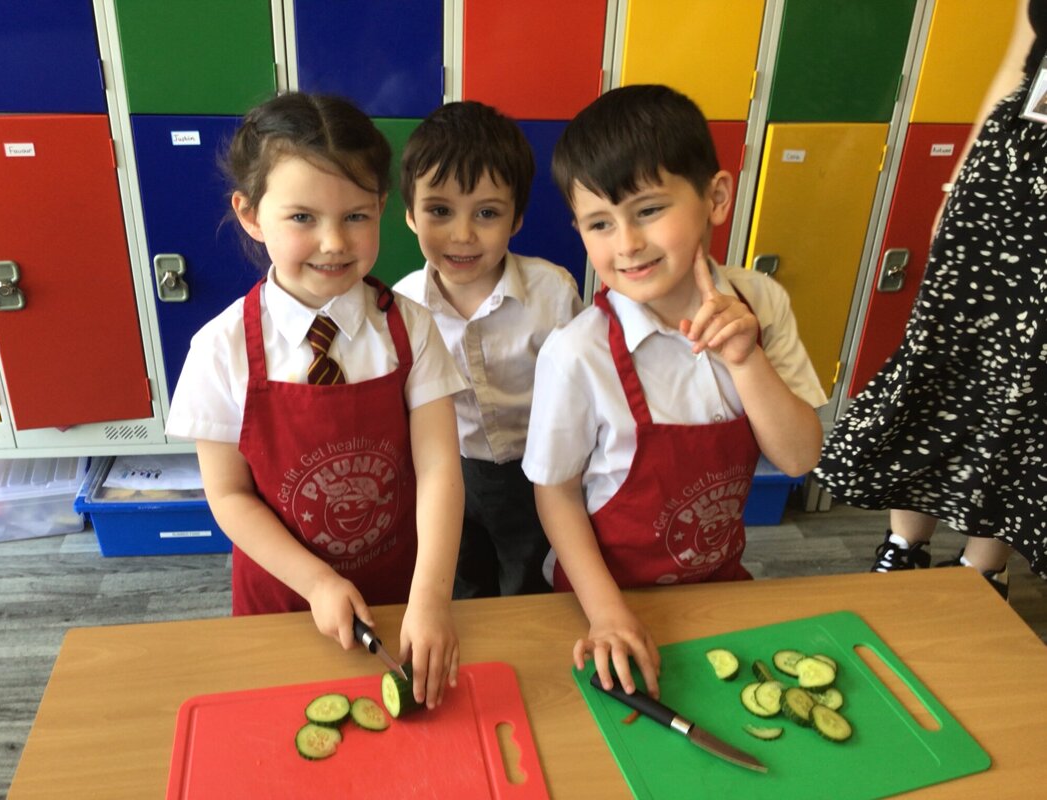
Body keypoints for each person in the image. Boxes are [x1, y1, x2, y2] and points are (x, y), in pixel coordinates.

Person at [522, 85, 827, 697]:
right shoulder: (577, 353)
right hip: (602, 597)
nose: (627, 243)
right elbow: (554, 495)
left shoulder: (761, 304)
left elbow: (799, 457)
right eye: (600, 223)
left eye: (649, 209)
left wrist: (746, 360)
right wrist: (606, 612)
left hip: (720, 584)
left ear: (716, 197)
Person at [165, 92, 466, 708]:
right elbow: (228, 495)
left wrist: (431, 598)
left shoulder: (411, 328)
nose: (333, 243)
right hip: (283, 598)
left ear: (383, 207)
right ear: (250, 215)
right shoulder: (219, 348)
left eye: (356, 216)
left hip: (399, 594)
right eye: (302, 218)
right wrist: (317, 581)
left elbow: (438, 467)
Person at [813, 1, 1047, 599]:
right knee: (938, 353)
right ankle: (901, 547)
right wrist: (960, 181)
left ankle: (982, 571)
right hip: (1008, 168)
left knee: (1029, 385)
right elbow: (1015, 66)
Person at [393, 101, 584, 599]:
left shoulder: (552, 291)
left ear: (516, 218)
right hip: (447, 471)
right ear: (410, 214)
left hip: (539, 468)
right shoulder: (402, 305)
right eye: (439, 210)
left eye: (487, 213)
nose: (462, 234)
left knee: (530, 581)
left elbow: (584, 388)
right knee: (462, 579)